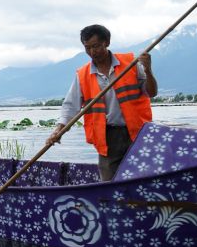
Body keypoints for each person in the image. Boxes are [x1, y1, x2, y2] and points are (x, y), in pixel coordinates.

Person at [47, 25, 157, 181]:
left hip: (137, 132)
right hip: (108, 136)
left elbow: (151, 92)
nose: (92, 52)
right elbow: (70, 107)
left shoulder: (131, 64)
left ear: (107, 42)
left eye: (96, 46)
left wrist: (148, 69)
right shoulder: (83, 74)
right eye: (87, 48)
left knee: (143, 177)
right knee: (109, 183)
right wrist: (59, 130)